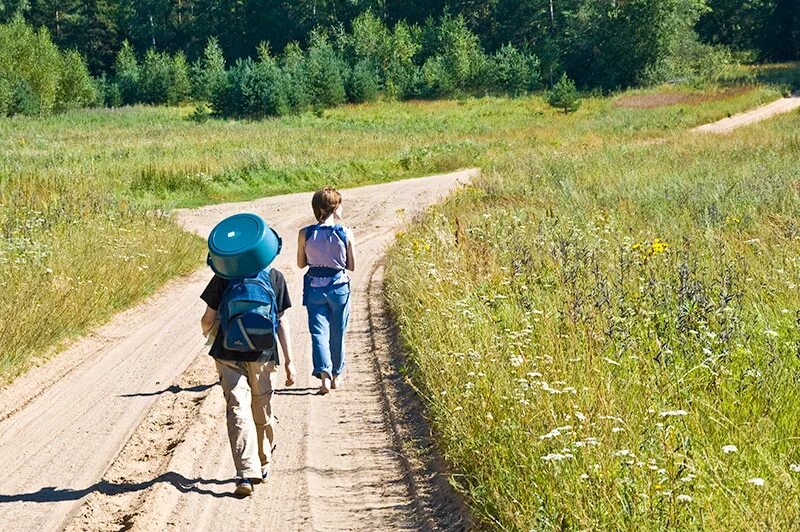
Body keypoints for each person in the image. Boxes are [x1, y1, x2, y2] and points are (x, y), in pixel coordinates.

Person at [200, 265, 296, 497]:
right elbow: (281, 321)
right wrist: (289, 361)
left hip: (227, 353)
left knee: (237, 409)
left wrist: (212, 333)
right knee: (261, 410)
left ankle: (246, 471)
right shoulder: (274, 276)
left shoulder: (223, 276)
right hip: (264, 355)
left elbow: (206, 320)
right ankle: (261, 464)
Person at [297, 187, 356, 395]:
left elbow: (300, 263)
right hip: (339, 287)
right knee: (338, 331)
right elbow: (351, 266)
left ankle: (324, 375)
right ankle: (337, 374)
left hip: (314, 287)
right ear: (335, 207)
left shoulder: (305, 233)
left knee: (318, 333)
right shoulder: (345, 232)